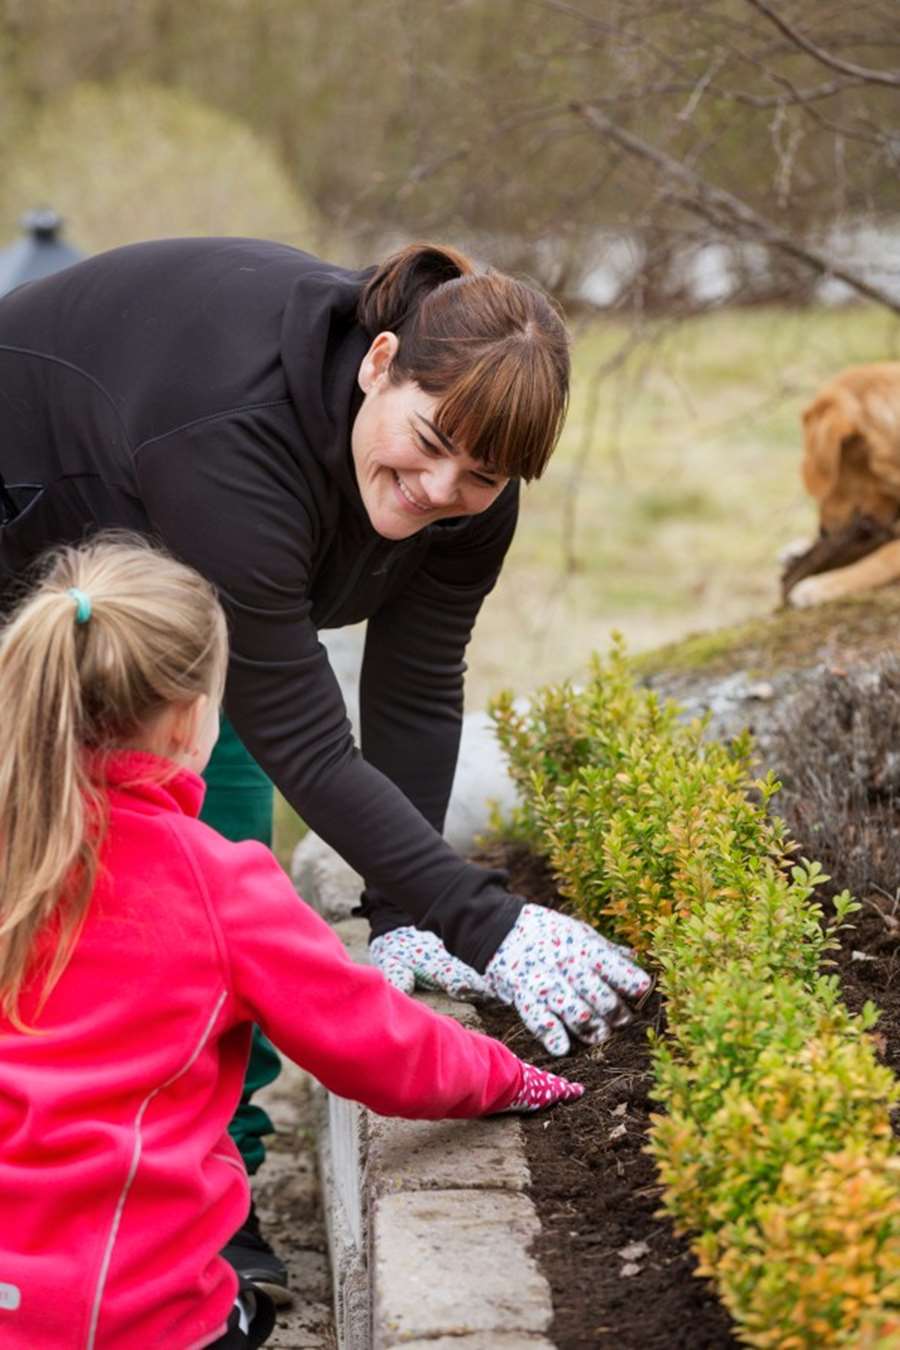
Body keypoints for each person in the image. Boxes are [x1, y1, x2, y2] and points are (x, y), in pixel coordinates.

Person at [0, 237, 652, 1294]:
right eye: (430, 441)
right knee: (43, 860)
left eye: (480, 476)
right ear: (379, 360)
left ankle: (213, 1196)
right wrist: (487, 919)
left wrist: (407, 912)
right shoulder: (232, 432)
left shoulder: (475, 477)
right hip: (32, 506)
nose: (441, 486)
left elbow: (417, 682)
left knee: (214, 872)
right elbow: (309, 734)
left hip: (172, 576)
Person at [0, 534, 584, 1350]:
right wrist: (510, 1075)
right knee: (240, 1315)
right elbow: (377, 1044)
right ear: (191, 719)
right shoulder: (217, 884)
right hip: (123, 1312)